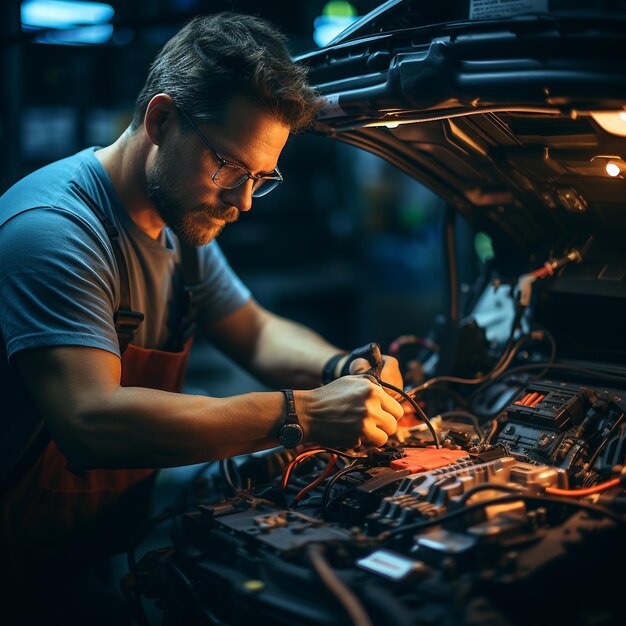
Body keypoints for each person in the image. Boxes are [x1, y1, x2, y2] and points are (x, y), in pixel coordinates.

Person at [0, 12, 403, 623]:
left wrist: (341, 366)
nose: (243, 201)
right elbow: (91, 420)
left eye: (261, 179)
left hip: (92, 545)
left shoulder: (180, 232)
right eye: (230, 168)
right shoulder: (55, 231)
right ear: (161, 120)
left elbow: (256, 330)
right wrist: (304, 413)